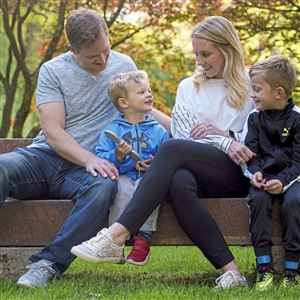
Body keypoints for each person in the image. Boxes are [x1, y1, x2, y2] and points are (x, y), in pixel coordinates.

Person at [71, 16, 256, 289]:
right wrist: (225, 141)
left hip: (236, 174)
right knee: (178, 180)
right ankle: (232, 272)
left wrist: (226, 139)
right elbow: (184, 137)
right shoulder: (187, 87)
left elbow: (257, 139)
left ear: (227, 49)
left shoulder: (252, 86)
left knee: (171, 150)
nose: (200, 61)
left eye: (206, 54)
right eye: (196, 54)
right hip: (196, 170)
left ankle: (116, 235)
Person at [0, 8, 170, 288]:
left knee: (104, 187)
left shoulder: (123, 64)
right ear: (73, 50)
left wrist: (184, 129)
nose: (103, 60)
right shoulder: (53, 70)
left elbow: (144, 110)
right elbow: (53, 131)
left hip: (83, 173)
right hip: (44, 159)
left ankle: (48, 265)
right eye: (94, 57)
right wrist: (89, 158)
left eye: (106, 49)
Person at [71, 70, 169, 265]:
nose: (149, 95)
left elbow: (166, 158)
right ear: (123, 103)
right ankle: (116, 241)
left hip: (147, 178)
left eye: (149, 91)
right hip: (122, 176)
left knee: (147, 188)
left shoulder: (158, 130)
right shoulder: (111, 131)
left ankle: (143, 238)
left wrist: (153, 164)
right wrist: (118, 155)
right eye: (141, 92)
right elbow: (102, 159)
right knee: (121, 189)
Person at [242, 55, 300, 290]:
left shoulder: (297, 119)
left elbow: (299, 161)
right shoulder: (254, 118)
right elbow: (250, 155)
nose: (252, 94)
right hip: (263, 180)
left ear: (278, 93)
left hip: (293, 178)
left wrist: (283, 183)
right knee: (257, 201)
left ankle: (292, 270)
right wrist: (254, 174)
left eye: (256, 89)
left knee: (294, 203)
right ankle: (263, 268)